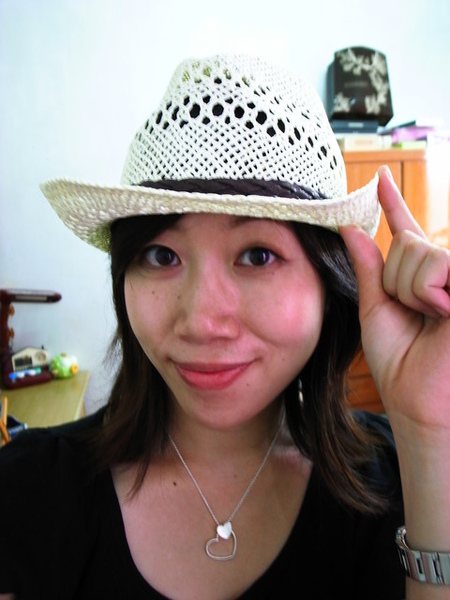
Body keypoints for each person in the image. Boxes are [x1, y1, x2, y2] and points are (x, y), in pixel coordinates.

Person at [0, 54, 449, 600]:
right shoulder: (27, 493)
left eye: (257, 255)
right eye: (161, 255)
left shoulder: (407, 482)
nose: (201, 322)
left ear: (329, 283)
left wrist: (431, 434)